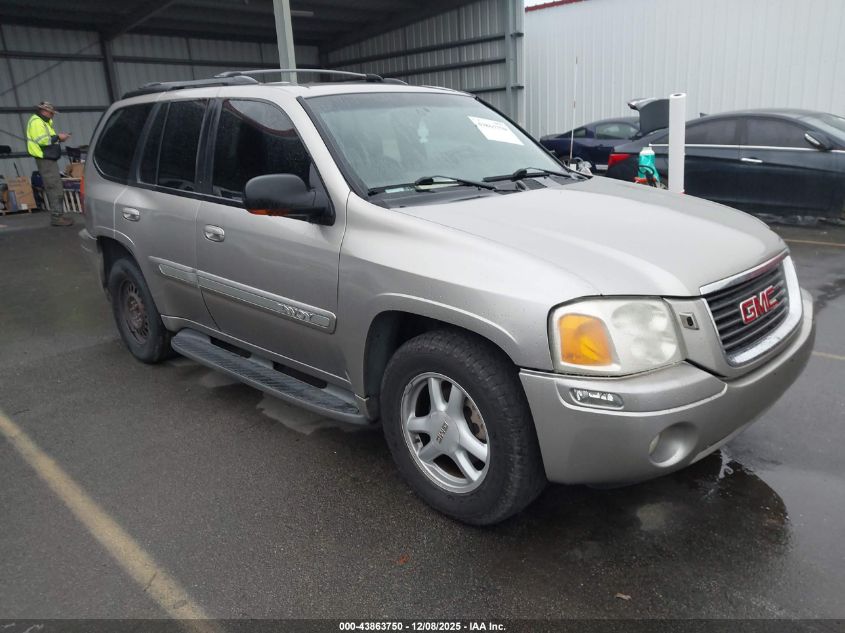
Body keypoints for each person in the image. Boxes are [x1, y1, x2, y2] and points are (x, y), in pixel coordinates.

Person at [26, 101, 73, 226]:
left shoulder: (43, 122)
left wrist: (58, 138)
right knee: (54, 187)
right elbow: (43, 140)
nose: (53, 115)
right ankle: (57, 217)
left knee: (55, 186)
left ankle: (58, 216)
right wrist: (59, 137)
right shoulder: (37, 122)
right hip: (45, 159)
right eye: (51, 113)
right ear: (45, 111)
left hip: (48, 159)